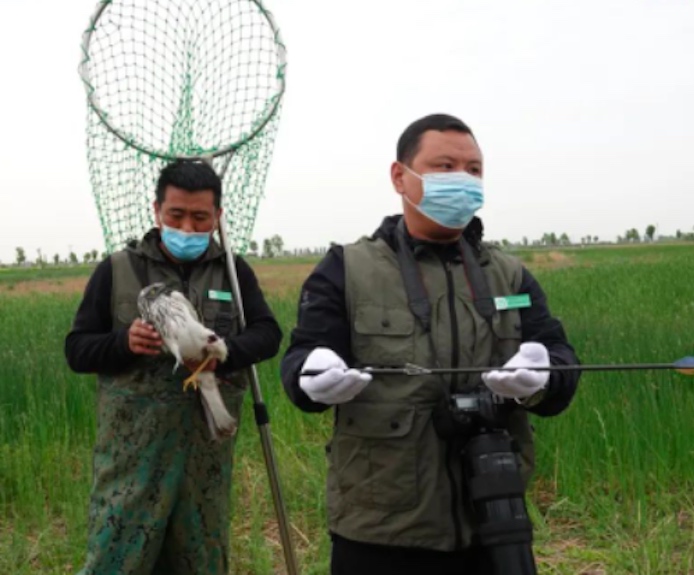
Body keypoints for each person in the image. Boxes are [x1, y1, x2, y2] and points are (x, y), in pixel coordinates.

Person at [280, 113, 581, 575]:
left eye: (474, 170)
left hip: (494, 516)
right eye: (444, 167)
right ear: (401, 176)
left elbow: (562, 364)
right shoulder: (346, 268)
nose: (462, 179)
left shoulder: (511, 274)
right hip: (380, 523)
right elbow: (300, 364)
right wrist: (311, 375)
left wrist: (544, 376)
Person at [65, 160, 283, 574]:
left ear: (218, 217)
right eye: (176, 215)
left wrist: (224, 352)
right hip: (133, 460)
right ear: (156, 211)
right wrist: (123, 343)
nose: (187, 227)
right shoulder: (118, 269)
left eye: (200, 218)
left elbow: (268, 333)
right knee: (119, 558)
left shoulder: (234, 272)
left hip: (206, 455)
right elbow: (77, 349)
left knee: (200, 561)